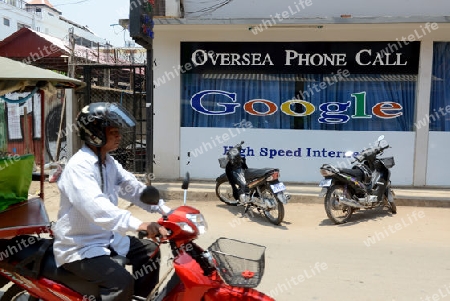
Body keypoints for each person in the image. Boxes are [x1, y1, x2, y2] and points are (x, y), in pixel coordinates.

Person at [52, 102, 170, 301]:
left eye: (118, 131)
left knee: (150, 252)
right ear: (95, 134)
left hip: (106, 238)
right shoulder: (79, 167)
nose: (119, 136)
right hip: (80, 246)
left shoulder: (108, 162)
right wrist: (138, 224)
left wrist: (165, 210)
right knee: (121, 283)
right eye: (113, 131)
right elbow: (97, 208)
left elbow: (132, 188)